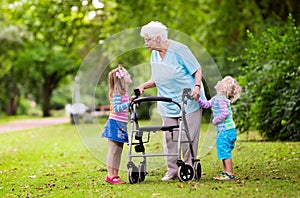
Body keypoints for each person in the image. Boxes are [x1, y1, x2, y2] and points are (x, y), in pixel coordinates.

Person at [138, 21, 207, 181]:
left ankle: (188, 167)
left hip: (188, 99)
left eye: (148, 39)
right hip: (167, 101)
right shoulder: (155, 54)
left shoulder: (180, 50)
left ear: (158, 38)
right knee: (169, 136)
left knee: (187, 136)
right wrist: (143, 86)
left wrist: (197, 87)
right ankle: (172, 170)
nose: (145, 43)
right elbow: (156, 78)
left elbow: (197, 69)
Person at [198, 76, 241, 180]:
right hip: (225, 131)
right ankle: (226, 172)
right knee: (223, 150)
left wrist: (215, 120)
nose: (218, 82)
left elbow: (225, 113)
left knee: (224, 151)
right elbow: (206, 104)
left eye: (221, 82)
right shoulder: (216, 98)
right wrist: (197, 98)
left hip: (226, 130)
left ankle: (229, 173)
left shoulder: (221, 99)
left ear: (223, 88)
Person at [101, 64, 134, 185]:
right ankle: (110, 175)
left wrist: (131, 103)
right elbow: (116, 109)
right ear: (121, 78)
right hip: (115, 124)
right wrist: (129, 104)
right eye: (127, 74)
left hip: (121, 124)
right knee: (113, 150)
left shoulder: (124, 92)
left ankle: (115, 174)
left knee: (119, 151)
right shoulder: (116, 93)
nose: (129, 75)